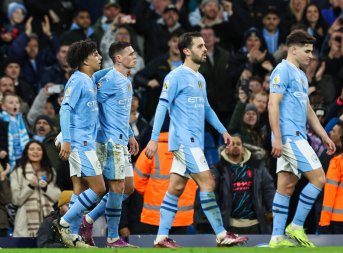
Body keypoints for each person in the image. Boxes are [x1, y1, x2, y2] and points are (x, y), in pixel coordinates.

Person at [145, 31, 248, 248]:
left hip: (194, 141)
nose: (205, 49)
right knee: (208, 182)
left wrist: (223, 131)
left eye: (204, 45)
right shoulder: (175, 76)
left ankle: (161, 237)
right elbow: (162, 106)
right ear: (186, 50)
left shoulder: (199, 78)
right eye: (200, 46)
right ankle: (221, 234)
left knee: (175, 187)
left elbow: (207, 109)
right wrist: (154, 139)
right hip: (184, 141)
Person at [267, 29, 336, 248]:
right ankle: (296, 226)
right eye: (306, 51)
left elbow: (307, 110)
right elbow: (272, 104)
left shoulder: (302, 76)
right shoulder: (282, 70)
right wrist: (277, 137)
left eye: (312, 51)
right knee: (319, 179)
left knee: (286, 186)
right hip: (289, 137)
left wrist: (323, 134)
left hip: (298, 135)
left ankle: (277, 237)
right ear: (293, 49)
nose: (310, 56)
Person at [78, 41, 139, 248]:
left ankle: (88, 219)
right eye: (130, 53)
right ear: (118, 58)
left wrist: (130, 134)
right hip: (110, 141)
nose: (134, 56)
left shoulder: (126, 81)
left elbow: (121, 115)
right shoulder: (111, 80)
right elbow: (94, 103)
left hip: (122, 139)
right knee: (117, 187)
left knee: (128, 188)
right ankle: (113, 238)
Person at [52, 40, 105, 248]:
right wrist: (66, 139)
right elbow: (65, 109)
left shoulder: (89, 80)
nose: (99, 57)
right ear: (85, 59)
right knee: (99, 188)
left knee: (80, 189)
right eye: (96, 54)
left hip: (85, 141)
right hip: (77, 142)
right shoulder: (77, 80)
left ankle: (72, 237)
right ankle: (63, 223)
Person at [211, 134, 275, 234]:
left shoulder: (257, 166)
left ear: (243, 148)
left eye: (238, 144)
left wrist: (272, 209)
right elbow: (213, 194)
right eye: (231, 144)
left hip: (256, 225)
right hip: (230, 226)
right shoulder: (218, 168)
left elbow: (268, 189)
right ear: (226, 149)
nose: (235, 146)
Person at [10, 140, 61, 237]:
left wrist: (46, 188)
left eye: (39, 149)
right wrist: (30, 186)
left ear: (43, 152)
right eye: (32, 149)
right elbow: (16, 200)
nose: (35, 152)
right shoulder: (18, 172)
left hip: (48, 219)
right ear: (26, 152)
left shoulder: (50, 171)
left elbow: (58, 197)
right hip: (25, 223)